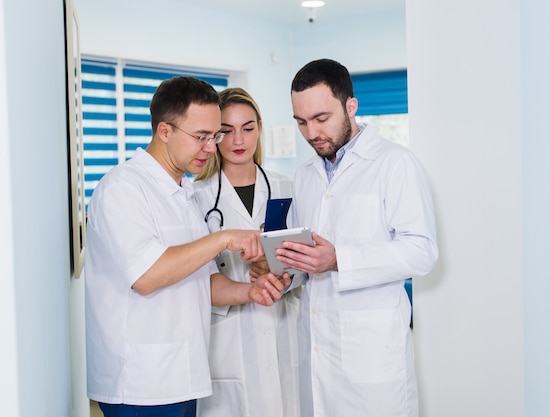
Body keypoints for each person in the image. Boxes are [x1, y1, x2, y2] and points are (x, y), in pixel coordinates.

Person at [84, 76, 290, 417]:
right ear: (165, 131)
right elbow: (147, 275)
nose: (212, 148)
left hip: (184, 376)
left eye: (215, 136)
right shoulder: (122, 188)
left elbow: (203, 282)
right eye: (202, 137)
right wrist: (223, 238)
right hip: (140, 382)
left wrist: (248, 292)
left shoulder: (183, 194)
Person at [275, 59, 439, 417]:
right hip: (318, 353)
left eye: (321, 118)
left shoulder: (396, 164)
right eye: (301, 122)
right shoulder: (304, 175)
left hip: (372, 361)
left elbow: (422, 251)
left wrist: (339, 259)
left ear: (351, 106)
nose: (311, 132)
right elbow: (304, 253)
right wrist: (283, 274)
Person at [193, 87, 300, 417]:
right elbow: (195, 277)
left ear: (260, 129)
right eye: (226, 130)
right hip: (226, 338)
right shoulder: (196, 196)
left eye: (248, 128)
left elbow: (306, 262)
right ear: (214, 135)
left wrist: (281, 272)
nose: (238, 139)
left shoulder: (287, 186)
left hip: (282, 325)